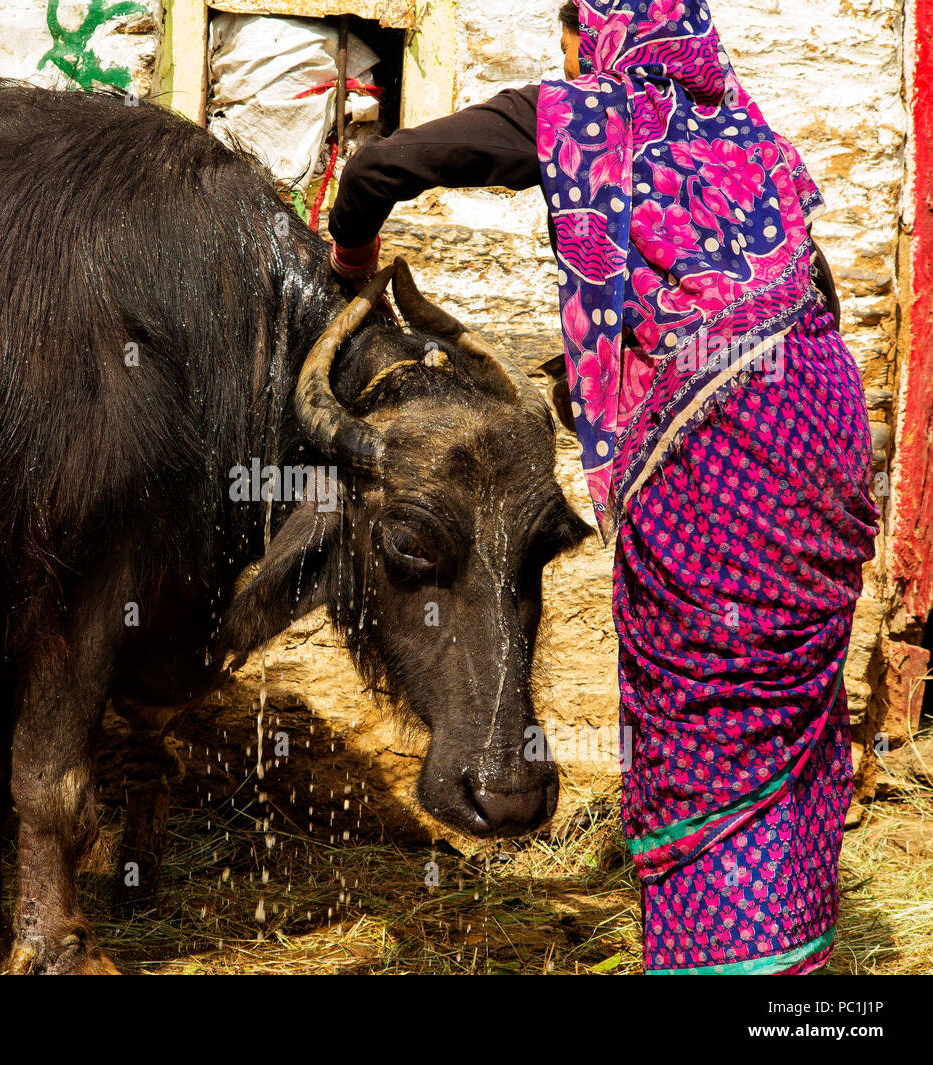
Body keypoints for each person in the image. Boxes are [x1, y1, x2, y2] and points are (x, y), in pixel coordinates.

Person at [328, 0, 878, 975]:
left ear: (597, 34)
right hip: (823, 427)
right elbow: (813, 294)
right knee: (782, 710)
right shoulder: (747, 134)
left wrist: (351, 261)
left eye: (573, 35)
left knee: (705, 714)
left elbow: (378, 170)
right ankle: (796, 963)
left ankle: (727, 962)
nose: (570, 56)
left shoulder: (581, 116)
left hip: (724, 448)